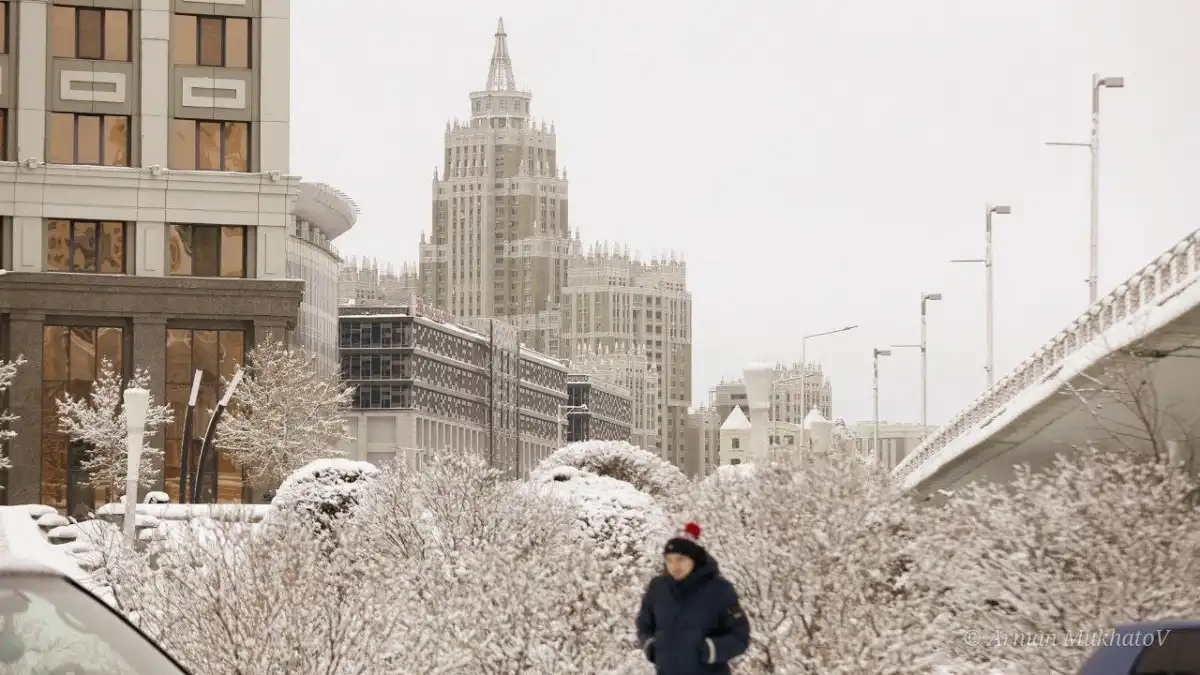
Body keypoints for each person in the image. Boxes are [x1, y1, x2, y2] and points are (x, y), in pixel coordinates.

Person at [636, 522, 751, 674]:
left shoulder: (720, 590)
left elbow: (740, 636)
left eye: (680, 559)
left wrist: (711, 650)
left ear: (694, 559)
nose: (674, 566)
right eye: (669, 560)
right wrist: (650, 646)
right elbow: (644, 625)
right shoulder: (658, 588)